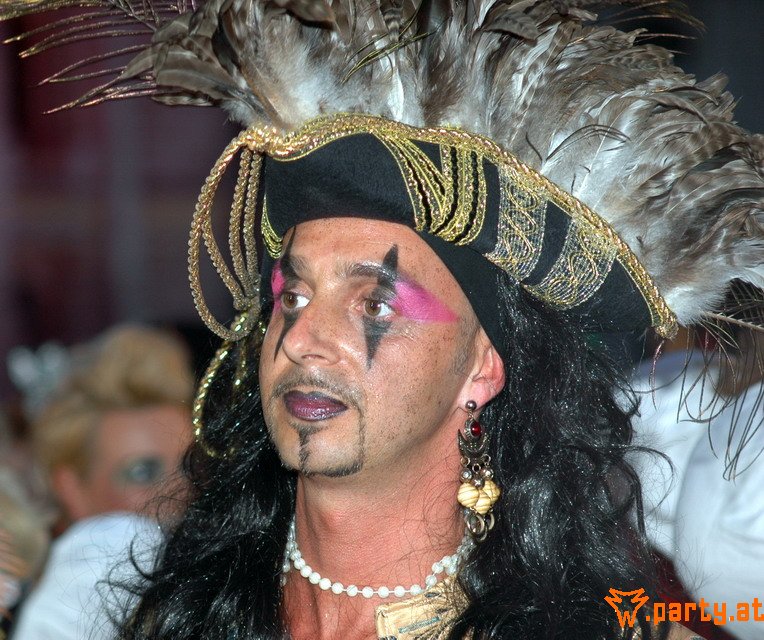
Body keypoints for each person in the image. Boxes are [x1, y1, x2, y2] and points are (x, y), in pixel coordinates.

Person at [2, 1, 762, 639]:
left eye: (375, 304)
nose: (301, 340)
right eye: (292, 297)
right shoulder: (157, 612)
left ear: (482, 367)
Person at [10, 325, 194, 639]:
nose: (180, 489)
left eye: (190, 467)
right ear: (70, 489)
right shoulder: (82, 584)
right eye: (142, 473)